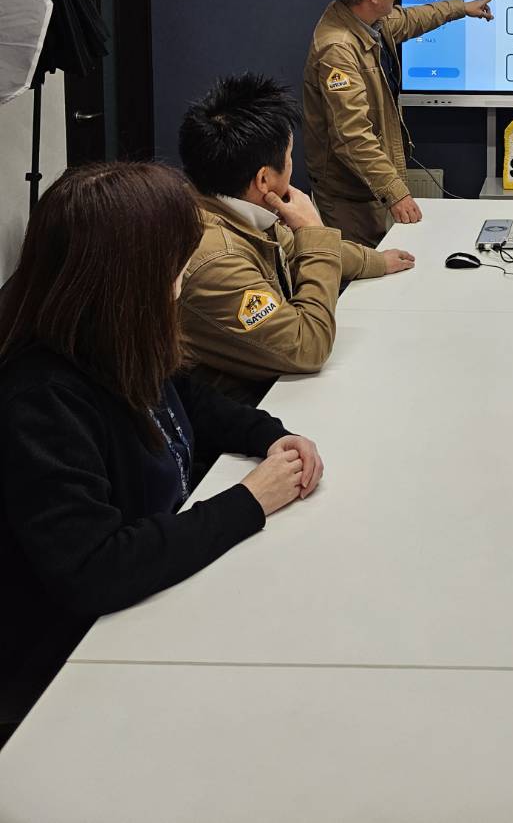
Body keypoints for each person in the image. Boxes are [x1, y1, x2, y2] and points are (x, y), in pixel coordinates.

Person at [0, 161, 323, 743]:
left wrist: (267, 435)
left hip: (153, 606)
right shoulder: (40, 398)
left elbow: (188, 399)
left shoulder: (110, 338)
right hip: (72, 671)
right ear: (129, 276)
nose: (182, 278)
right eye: (175, 264)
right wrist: (250, 499)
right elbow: (96, 569)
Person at [178, 73, 414, 401]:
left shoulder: (235, 207)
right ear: (263, 179)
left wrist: (377, 261)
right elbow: (307, 347)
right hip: (246, 409)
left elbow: (290, 247)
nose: (292, 166)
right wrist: (312, 231)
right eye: (289, 158)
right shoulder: (217, 261)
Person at [303, 0, 495, 247]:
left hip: (368, 188)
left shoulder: (365, 20)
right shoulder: (337, 50)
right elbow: (352, 137)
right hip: (350, 197)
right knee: (364, 270)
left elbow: (412, 18)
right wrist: (395, 191)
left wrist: (461, 8)